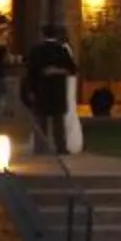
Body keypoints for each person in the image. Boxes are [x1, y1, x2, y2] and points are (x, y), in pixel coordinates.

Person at [22, 23, 83, 158]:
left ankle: (40, 147)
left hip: (42, 90)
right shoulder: (61, 50)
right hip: (57, 91)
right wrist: (59, 71)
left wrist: (31, 90)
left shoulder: (36, 50)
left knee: (41, 119)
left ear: (43, 35)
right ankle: (60, 147)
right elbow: (72, 69)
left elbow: (30, 72)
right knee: (58, 121)